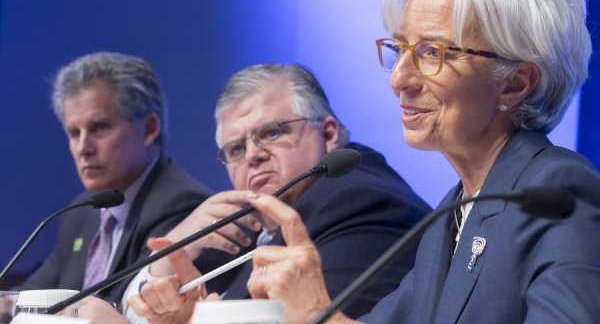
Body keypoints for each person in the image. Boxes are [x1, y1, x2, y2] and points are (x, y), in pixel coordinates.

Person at [224, 0, 600, 324]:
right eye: (401, 49)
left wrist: (317, 313)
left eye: (432, 53)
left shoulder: (558, 192)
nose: (400, 79)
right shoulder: (452, 215)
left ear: (515, 84)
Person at [122, 63, 431, 323]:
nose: (252, 156)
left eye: (271, 133)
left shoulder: (356, 201)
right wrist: (177, 246)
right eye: (236, 149)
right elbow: (140, 312)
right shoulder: (248, 226)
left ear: (328, 135)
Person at [21, 52, 210, 304]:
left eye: (99, 128)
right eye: (74, 133)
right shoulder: (81, 211)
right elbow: (33, 295)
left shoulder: (181, 205)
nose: (83, 148)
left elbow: (131, 307)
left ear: (149, 128)